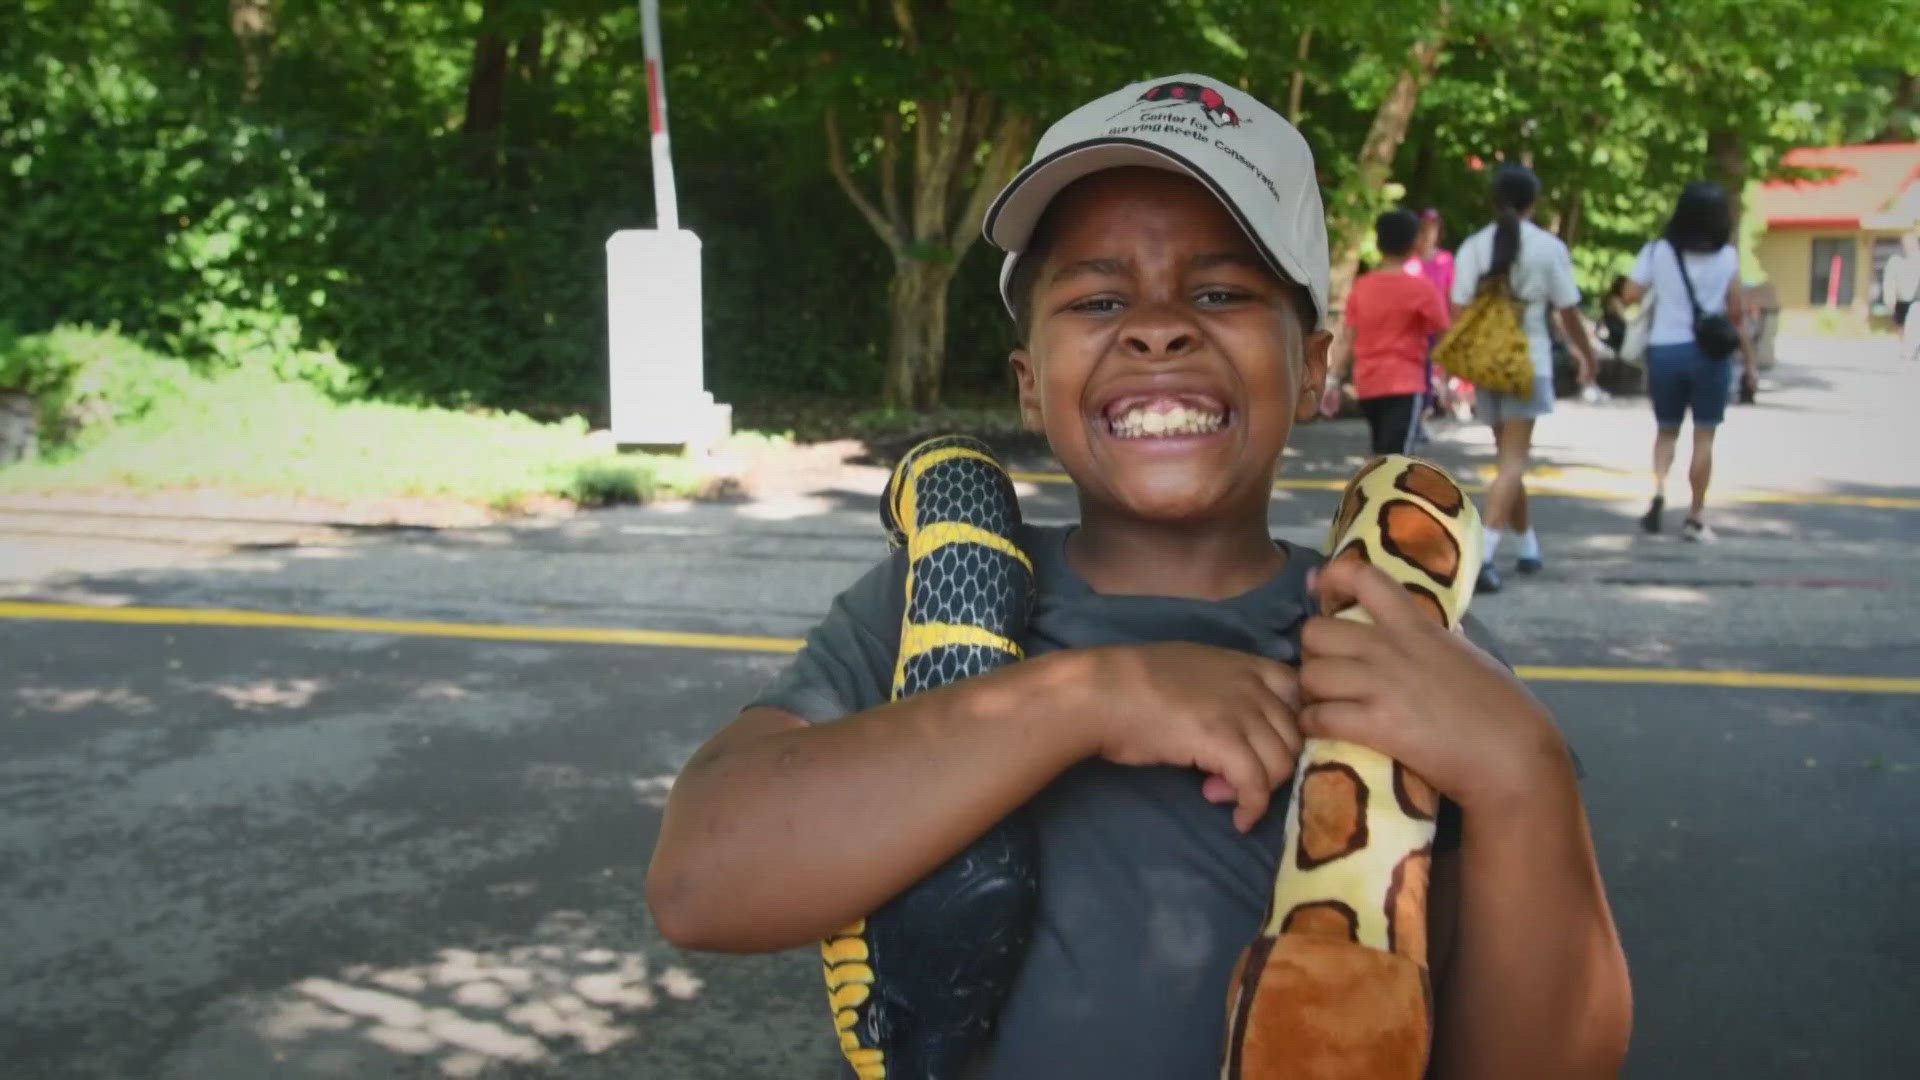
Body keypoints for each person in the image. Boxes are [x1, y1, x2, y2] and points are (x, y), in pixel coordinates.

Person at [645, 75, 1631, 1080]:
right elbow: (700, 882)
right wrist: (1090, 697)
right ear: (1030, 382)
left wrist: (1525, 774)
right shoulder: (917, 604)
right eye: (1099, 298)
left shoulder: (1403, 643)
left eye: (1219, 293)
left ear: (1314, 371)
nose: (1158, 329)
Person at [1449, 164, 1599, 593]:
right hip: (1528, 362)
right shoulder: (1547, 248)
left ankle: (1528, 545)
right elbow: (1567, 310)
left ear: (1493, 201)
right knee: (1513, 462)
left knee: (1506, 461)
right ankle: (1486, 555)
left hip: (1486, 363)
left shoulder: (1473, 247)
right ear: (1534, 202)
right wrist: (1586, 355)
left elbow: (1458, 311)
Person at [1616, 181, 1758, 541]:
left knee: (1666, 431)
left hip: (1665, 350)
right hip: (1710, 354)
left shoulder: (1657, 251)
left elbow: (1631, 294)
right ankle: (1695, 517)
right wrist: (1751, 363)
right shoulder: (1728, 257)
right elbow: (1736, 311)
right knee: (1704, 437)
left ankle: (1660, 491)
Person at [1324, 208, 1451, 455]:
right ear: (1414, 242)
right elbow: (1445, 334)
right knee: (1396, 462)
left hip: (1368, 384)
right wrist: (1442, 376)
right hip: (1405, 383)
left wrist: (1333, 380)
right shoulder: (1421, 289)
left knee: (1382, 455)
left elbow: (1347, 338)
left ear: (1379, 243)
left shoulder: (1362, 287)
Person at [1407, 208, 1466, 419]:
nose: (1428, 233)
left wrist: (1453, 325)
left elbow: (1452, 294)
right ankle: (1419, 413)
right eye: (1424, 228)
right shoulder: (1408, 260)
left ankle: (1427, 410)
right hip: (1412, 328)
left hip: (1437, 326)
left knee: (1434, 371)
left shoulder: (1446, 259)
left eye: (1433, 228)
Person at [1882, 227, 1920, 362]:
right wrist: (1889, 297)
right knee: (1900, 324)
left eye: (1912, 243)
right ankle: (1905, 346)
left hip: (1916, 299)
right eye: (1906, 243)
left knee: (1914, 323)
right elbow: (1889, 279)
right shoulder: (1896, 260)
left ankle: (1912, 347)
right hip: (1901, 297)